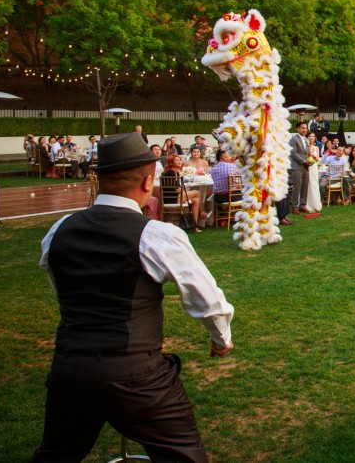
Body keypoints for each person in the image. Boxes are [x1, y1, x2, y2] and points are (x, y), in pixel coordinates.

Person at [33, 132, 233, 462]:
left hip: (70, 367)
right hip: (135, 372)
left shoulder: (59, 229)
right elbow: (205, 297)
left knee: (56, 455)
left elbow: (59, 283)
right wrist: (221, 337)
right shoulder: (156, 234)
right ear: (146, 183)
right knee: (184, 457)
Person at [161, 155, 203, 233]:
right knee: (197, 193)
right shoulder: (170, 172)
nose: (179, 162)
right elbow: (172, 189)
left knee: (195, 200)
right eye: (176, 160)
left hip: (177, 196)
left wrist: (180, 189)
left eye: (180, 160)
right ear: (171, 163)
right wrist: (180, 190)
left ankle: (195, 225)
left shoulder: (177, 173)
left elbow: (178, 188)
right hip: (171, 198)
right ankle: (201, 213)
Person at [288, 122, 311, 213]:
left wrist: (310, 159)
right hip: (297, 166)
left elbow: (306, 152)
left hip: (306, 166)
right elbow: (293, 153)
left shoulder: (306, 140)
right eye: (302, 128)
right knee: (296, 187)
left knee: (305, 186)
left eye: (305, 128)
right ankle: (294, 206)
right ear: (297, 129)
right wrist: (303, 161)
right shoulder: (293, 139)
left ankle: (302, 205)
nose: (304, 130)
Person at [305, 133, 323, 213]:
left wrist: (313, 156)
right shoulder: (305, 147)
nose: (311, 138)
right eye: (309, 136)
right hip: (306, 167)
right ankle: (305, 204)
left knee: (314, 184)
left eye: (313, 136)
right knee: (307, 184)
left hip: (313, 167)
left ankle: (315, 203)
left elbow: (318, 159)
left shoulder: (316, 148)